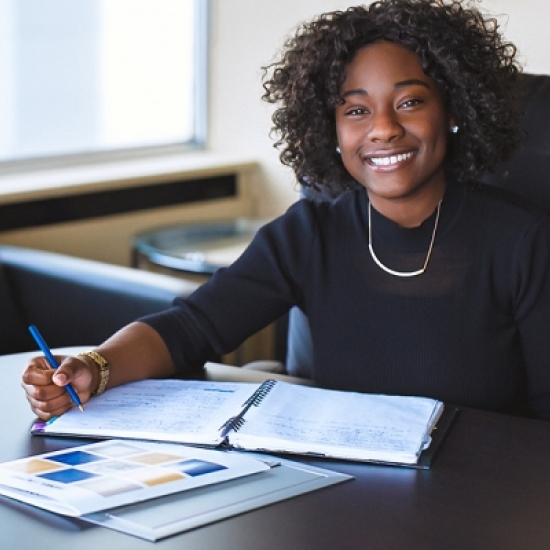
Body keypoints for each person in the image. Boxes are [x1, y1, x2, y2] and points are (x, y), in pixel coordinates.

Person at [22, 0, 550, 421]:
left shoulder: (522, 241)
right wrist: (95, 367)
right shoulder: (309, 235)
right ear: (332, 129)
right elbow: (190, 328)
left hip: (486, 500)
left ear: (453, 109)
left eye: (410, 101)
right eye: (357, 110)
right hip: (347, 497)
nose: (383, 128)